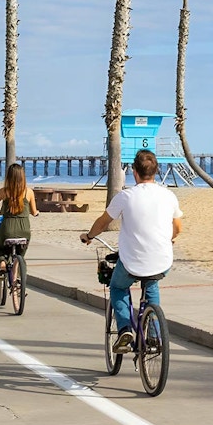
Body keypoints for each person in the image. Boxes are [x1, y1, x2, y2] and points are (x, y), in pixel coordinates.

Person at [80, 149, 182, 352]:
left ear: (134, 171)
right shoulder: (169, 196)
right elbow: (177, 228)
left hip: (131, 262)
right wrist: (167, 239)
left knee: (118, 287)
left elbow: (103, 222)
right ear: (156, 171)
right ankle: (154, 336)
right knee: (151, 287)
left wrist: (89, 237)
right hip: (162, 261)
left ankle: (125, 329)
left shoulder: (125, 197)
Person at [0, 163, 39, 280]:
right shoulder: (29, 192)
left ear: (8, 177)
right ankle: (18, 276)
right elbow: (34, 211)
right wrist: (36, 213)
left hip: (7, 229)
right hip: (24, 230)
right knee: (20, 253)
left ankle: (2, 265)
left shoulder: (3, 192)